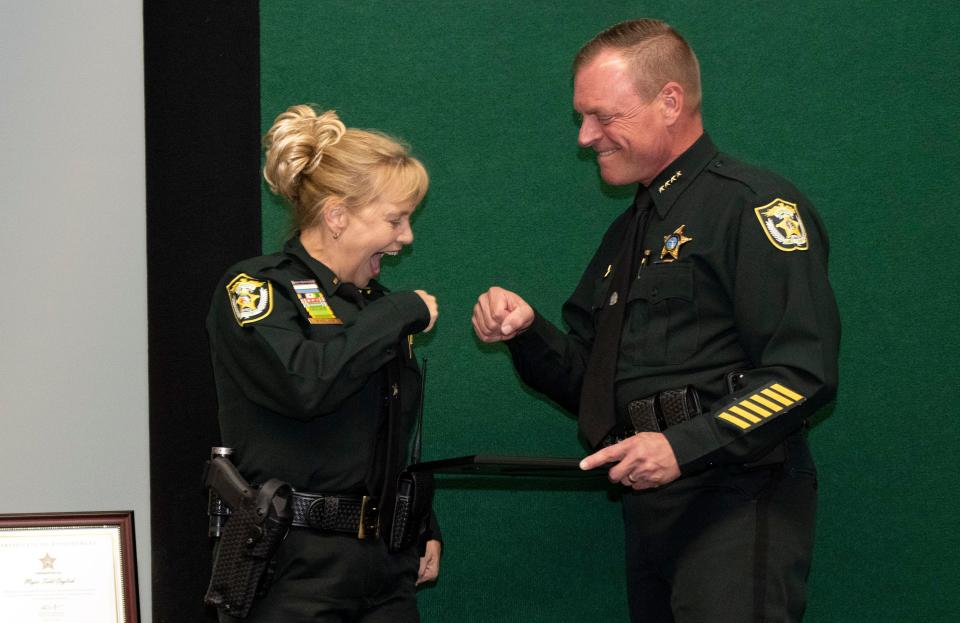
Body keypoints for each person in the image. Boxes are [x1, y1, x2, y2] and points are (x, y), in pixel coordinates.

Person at [472, 19, 839, 622]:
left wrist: (684, 445)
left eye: (602, 116)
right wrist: (526, 332)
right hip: (653, 506)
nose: (586, 136)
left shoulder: (751, 207)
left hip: (736, 496)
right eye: (582, 117)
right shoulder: (629, 233)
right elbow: (590, 385)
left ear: (670, 101)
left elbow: (805, 373)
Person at [207, 104, 442, 622]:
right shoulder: (258, 288)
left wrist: (423, 523)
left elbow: (384, 435)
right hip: (291, 563)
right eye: (394, 220)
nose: (406, 237)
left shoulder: (371, 306)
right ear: (337, 215)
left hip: (384, 563)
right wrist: (401, 310)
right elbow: (304, 385)